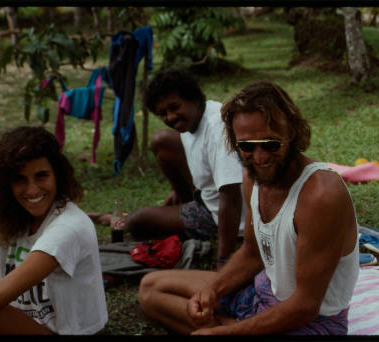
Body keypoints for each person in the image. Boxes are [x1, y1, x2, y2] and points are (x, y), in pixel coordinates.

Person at [138, 80, 359, 335]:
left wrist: (231, 332)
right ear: (235, 143)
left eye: (271, 144)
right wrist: (214, 290)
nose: (260, 157)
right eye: (247, 147)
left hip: (312, 321)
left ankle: (224, 327)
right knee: (150, 288)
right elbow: (253, 253)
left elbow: (306, 305)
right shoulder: (252, 177)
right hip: (261, 292)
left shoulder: (322, 195)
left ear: (292, 133)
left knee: (197, 322)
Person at [0, 126, 108, 335]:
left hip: (65, 332)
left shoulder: (69, 227)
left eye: (41, 176)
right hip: (24, 321)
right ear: (6, 183)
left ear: (57, 176)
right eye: (20, 179)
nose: (32, 190)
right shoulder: (8, 216)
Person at [125, 69, 244, 269]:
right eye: (162, 113)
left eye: (174, 107)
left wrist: (223, 257)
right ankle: (184, 207)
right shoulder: (195, 117)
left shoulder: (217, 127)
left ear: (194, 99)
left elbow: (231, 196)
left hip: (224, 217)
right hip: (206, 196)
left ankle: (189, 218)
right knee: (162, 141)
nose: (171, 117)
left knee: (138, 221)